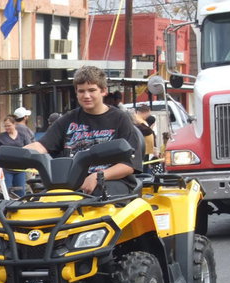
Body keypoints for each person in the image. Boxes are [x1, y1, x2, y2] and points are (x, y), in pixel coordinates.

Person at [26, 65, 143, 196]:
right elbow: (41, 145)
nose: (86, 96)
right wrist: (17, 154)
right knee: (39, 204)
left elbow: (129, 165)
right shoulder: (68, 119)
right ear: (76, 92)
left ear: (103, 91)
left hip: (113, 182)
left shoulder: (120, 119)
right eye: (81, 91)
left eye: (92, 90)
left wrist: (97, 176)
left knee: (97, 203)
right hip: (72, 183)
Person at [0, 115, 28, 196]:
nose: (7, 128)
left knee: (20, 191)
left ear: (14, 124)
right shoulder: (2, 137)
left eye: (9, 126)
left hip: (20, 168)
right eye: (5, 126)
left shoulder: (22, 135)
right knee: (7, 191)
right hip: (7, 169)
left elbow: (29, 148)